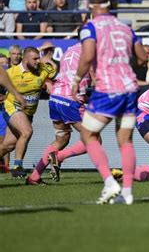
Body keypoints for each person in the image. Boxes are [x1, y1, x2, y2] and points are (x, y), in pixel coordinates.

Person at [72, 0, 148, 205]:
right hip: (130, 89)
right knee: (125, 141)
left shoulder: (90, 27)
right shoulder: (125, 26)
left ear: (91, 6)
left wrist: (76, 81)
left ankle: (109, 181)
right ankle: (127, 192)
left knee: (88, 135)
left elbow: (87, 56)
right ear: (108, 4)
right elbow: (142, 57)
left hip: (107, 90)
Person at [26, 43, 91, 185]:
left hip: (56, 97)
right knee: (93, 140)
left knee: (61, 139)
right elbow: (96, 77)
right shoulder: (91, 50)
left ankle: (34, 176)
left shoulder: (70, 49)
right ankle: (58, 156)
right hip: (71, 100)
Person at [0, 47, 55, 178]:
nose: (38, 61)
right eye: (34, 58)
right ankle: (17, 166)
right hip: (12, 106)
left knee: (8, 145)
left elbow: (56, 74)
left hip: (28, 113)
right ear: (25, 59)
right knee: (26, 131)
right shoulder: (12, 73)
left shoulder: (44, 68)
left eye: (39, 58)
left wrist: (49, 81)